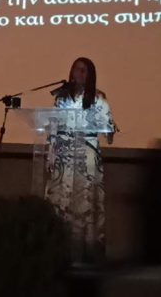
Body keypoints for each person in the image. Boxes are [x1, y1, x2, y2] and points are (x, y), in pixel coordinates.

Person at [46, 56, 117, 263]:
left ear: (90, 75)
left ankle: (87, 249)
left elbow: (108, 129)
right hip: (64, 156)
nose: (80, 73)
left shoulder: (98, 97)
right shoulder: (62, 97)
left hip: (86, 153)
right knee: (62, 200)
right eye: (77, 69)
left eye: (84, 70)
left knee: (84, 201)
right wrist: (51, 151)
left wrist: (108, 127)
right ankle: (60, 248)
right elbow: (53, 126)